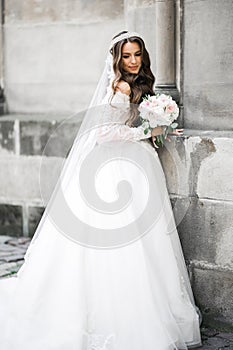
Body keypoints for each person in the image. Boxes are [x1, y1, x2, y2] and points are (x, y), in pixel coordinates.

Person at [0, 31, 202, 350]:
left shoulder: (138, 85)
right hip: (115, 167)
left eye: (137, 54)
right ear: (116, 60)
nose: (133, 61)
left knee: (144, 238)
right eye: (127, 56)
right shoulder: (119, 87)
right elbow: (104, 133)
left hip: (136, 165)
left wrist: (158, 125)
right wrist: (148, 131)